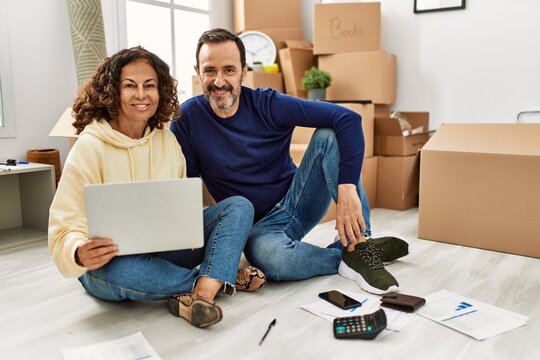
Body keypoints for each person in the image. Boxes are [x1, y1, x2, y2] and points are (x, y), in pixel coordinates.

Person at [170, 28, 409, 296]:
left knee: (329, 135)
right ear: (197, 71)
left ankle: (359, 245)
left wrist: (346, 187)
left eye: (228, 70)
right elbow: (187, 181)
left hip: (296, 203)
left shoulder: (268, 104)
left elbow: (348, 119)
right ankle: (348, 255)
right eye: (209, 70)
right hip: (253, 229)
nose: (219, 80)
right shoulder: (186, 118)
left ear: (243, 71)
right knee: (270, 258)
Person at [48, 46, 265, 329]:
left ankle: (201, 289)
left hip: (164, 250)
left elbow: (176, 204)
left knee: (238, 206)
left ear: (160, 91)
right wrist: (79, 251)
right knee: (117, 271)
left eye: (149, 85)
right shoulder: (89, 147)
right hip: (110, 260)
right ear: (113, 91)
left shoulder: (167, 141)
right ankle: (214, 280)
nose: (141, 94)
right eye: (130, 86)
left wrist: (185, 227)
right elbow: (63, 227)